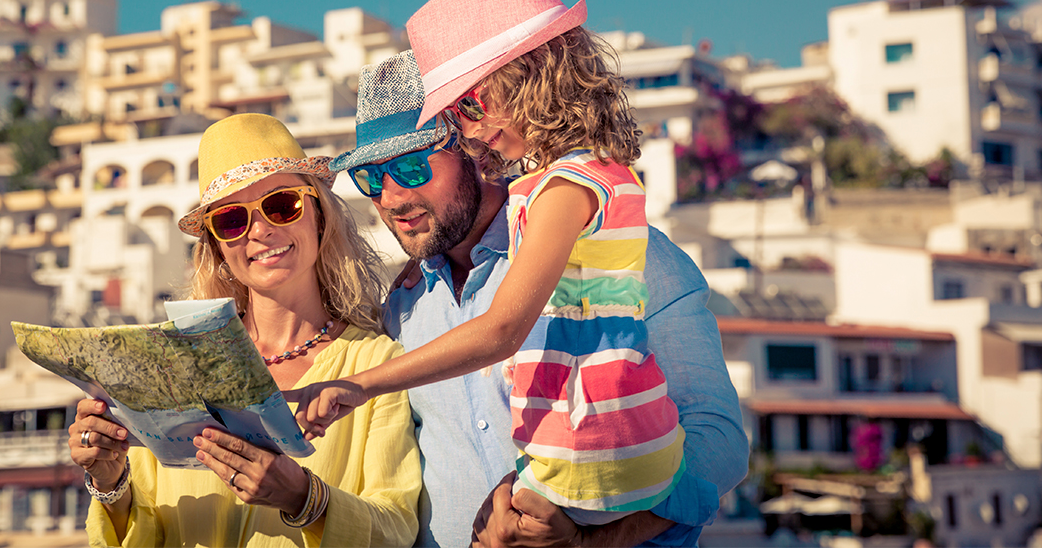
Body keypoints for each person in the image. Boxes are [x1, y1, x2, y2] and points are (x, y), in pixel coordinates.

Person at [319, 49, 746, 541]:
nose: (390, 198)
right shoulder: (403, 306)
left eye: (413, 168)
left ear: (476, 150)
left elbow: (719, 444)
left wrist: (591, 540)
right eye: (370, 178)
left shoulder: (622, 253)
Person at [69, 113, 421, 547]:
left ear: (319, 215)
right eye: (233, 219)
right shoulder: (172, 368)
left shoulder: (377, 364)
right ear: (217, 246)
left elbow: (398, 528)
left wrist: (305, 499)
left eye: (281, 205)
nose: (261, 231)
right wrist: (110, 480)